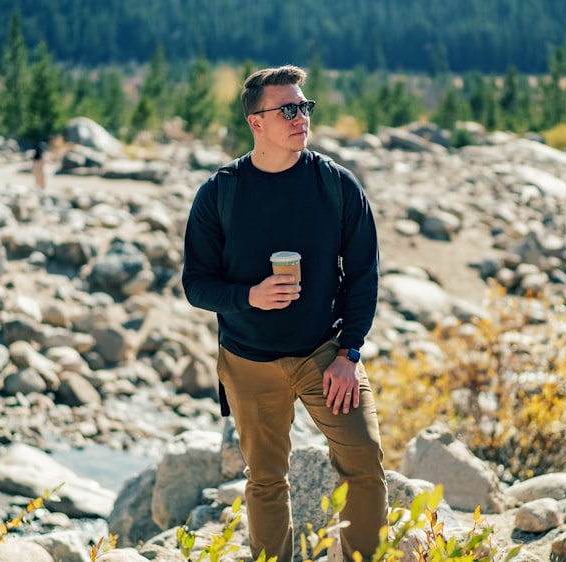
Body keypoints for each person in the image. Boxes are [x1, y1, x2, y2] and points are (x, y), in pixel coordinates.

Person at [182, 65, 387, 562]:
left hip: (326, 355)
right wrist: (248, 296)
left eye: (304, 107)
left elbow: (364, 274)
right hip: (248, 363)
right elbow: (196, 285)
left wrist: (348, 351)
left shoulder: (336, 185)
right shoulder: (220, 192)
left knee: (365, 466)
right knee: (266, 480)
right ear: (257, 122)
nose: (301, 118)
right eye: (288, 109)